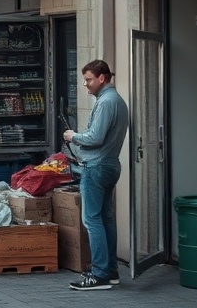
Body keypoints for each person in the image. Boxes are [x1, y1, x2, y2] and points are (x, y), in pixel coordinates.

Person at [62, 59, 129, 291]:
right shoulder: (117, 101)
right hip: (110, 164)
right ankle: (110, 271)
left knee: (92, 220)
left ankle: (100, 274)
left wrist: (74, 136)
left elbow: (95, 137)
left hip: (98, 166)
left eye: (89, 79)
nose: (85, 84)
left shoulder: (106, 102)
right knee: (105, 218)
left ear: (102, 78)